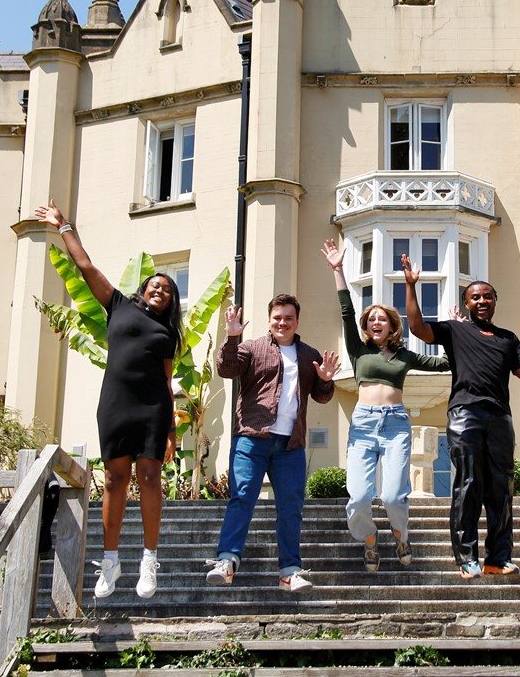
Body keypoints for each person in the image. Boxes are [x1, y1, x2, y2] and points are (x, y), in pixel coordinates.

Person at [402, 254, 520, 579]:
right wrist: (411, 286)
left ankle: (498, 558)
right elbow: (417, 327)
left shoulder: (508, 338)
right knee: (468, 483)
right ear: (467, 302)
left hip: (500, 417)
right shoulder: (455, 331)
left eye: (488, 296)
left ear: (495, 301)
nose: (482, 300)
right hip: (465, 414)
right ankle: (466, 558)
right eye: (476, 297)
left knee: (502, 488)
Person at [33, 200, 179, 600]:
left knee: (149, 477)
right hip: (115, 404)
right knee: (115, 479)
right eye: (155, 284)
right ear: (143, 289)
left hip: (152, 409)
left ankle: (149, 559)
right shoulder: (115, 306)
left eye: (167, 289)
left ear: (170, 302)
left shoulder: (167, 335)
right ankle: (111, 561)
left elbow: (167, 385)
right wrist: (63, 226)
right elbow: (86, 267)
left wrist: (171, 432)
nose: (159, 289)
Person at [320, 240, 450, 572]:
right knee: (360, 498)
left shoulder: (405, 356)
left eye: (382, 319)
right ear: (366, 327)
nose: (376, 322)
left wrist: (457, 330)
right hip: (363, 425)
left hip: (395, 424)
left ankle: (401, 535)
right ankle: (368, 541)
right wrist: (337, 270)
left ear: (393, 326)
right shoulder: (358, 351)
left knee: (393, 496)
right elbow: (346, 311)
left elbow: (444, 363)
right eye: (371, 320)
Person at [206, 294, 341, 592]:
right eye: (277, 317)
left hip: (290, 444)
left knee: (291, 506)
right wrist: (231, 337)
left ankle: (289, 571)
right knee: (242, 496)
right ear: (270, 320)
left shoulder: (308, 354)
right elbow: (227, 370)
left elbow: (321, 396)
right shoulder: (252, 348)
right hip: (252, 438)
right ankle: (227, 561)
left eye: (288, 318)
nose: (283, 323)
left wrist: (326, 379)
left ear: (297, 321)